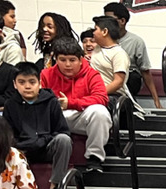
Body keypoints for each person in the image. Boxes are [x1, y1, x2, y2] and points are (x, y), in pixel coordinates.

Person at [39, 38, 112, 173]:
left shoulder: (92, 74)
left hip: (80, 116)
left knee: (100, 112)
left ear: (80, 59)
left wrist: (71, 103)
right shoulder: (46, 74)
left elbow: (102, 98)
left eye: (72, 60)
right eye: (62, 60)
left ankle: (94, 158)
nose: (67, 65)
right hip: (55, 117)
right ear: (55, 59)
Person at [3, 62, 72, 189]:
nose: (27, 86)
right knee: (5, 147)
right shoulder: (10, 104)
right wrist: (25, 144)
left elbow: (62, 130)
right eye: (22, 82)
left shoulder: (51, 102)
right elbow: (8, 136)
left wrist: (42, 140)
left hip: (46, 147)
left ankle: (56, 187)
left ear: (39, 83)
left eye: (32, 82)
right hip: (23, 150)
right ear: (14, 84)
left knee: (64, 140)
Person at [102, 3, 161, 107]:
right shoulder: (101, 39)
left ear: (122, 21)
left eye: (110, 20)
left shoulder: (136, 41)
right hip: (106, 77)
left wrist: (156, 101)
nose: (106, 24)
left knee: (132, 77)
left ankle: (128, 104)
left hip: (129, 79)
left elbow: (145, 71)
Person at [89, 16, 129, 102]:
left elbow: (118, 82)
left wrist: (97, 94)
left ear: (105, 32)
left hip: (111, 96)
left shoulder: (118, 53)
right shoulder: (96, 49)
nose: (93, 33)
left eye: (95, 29)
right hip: (94, 94)